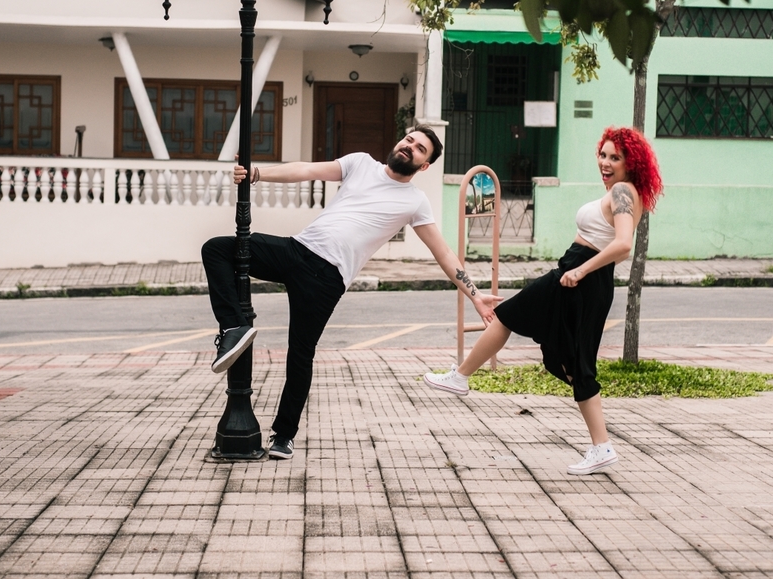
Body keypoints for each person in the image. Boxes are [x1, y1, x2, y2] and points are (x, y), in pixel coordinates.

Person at [202, 125, 504, 460]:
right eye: (408, 140)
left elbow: (444, 253)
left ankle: (283, 435)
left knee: (300, 355)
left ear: (424, 165)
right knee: (216, 249)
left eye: (419, 149)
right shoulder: (361, 164)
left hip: (327, 279)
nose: (409, 147)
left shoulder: (415, 202)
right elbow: (306, 169)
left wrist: (475, 295)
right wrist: (257, 173)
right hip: (297, 250)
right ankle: (234, 327)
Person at [423, 126, 662, 476]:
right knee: (571, 360)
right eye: (603, 154)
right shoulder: (624, 192)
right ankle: (601, 446)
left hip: (580, 277)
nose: (606, 163)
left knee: (511, 317)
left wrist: (581, 271)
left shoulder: (624, 192)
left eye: (616, 157)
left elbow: (624, 245)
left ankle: (460, 377)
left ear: (631, 163)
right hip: (579, 276)